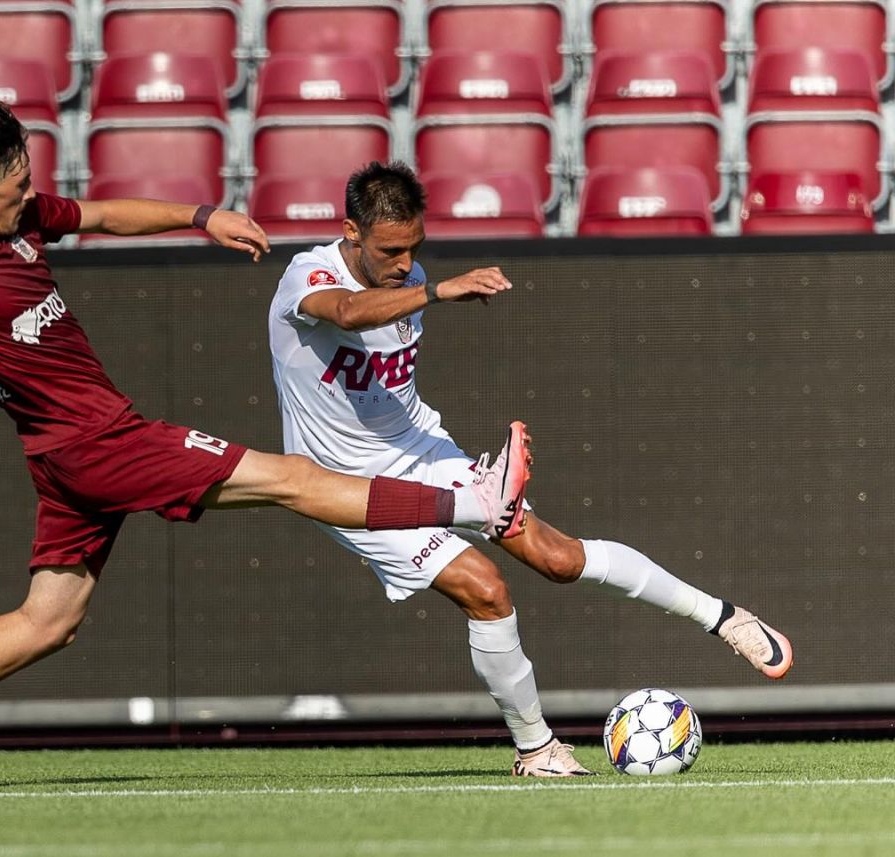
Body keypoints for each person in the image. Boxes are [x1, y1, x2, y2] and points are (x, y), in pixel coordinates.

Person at [0, 104, 533, 791]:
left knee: (48, 621)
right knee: (296, 478)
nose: (34, 192)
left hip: (68, 458)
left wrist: (200, 216)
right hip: (103, 444)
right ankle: (473, 501)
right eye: (20, 182)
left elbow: (104, 214)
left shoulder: (21, 221)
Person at [267, 161, 795, 777]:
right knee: (485, 589)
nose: (405, 261)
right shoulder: (307, 274)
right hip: (347, 486)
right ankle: (537, 749)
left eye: (415, 247)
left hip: (422, 452)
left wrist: (425, 286)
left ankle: (725, 619)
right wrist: (439, 290)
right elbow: (351, 314)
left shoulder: (409, 272)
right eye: (390, 249)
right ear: (351, 232)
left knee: (559, 559)